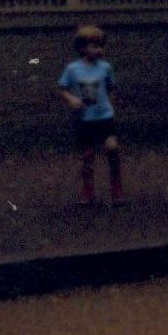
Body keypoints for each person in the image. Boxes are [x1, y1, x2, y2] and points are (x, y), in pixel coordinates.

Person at [56, 24, 123, 208]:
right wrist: (71, 99)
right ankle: (88, 190)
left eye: (101, 45)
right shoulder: (72, 69)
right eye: (94, 46)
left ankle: (116, 187)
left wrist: (111, 107)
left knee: (112, 148)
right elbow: (62, 89)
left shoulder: (105, 67)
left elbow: (111, 88)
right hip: (85, 119)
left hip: (104, 117)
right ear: (82, 48)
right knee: (87, 156)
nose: (99, 50)